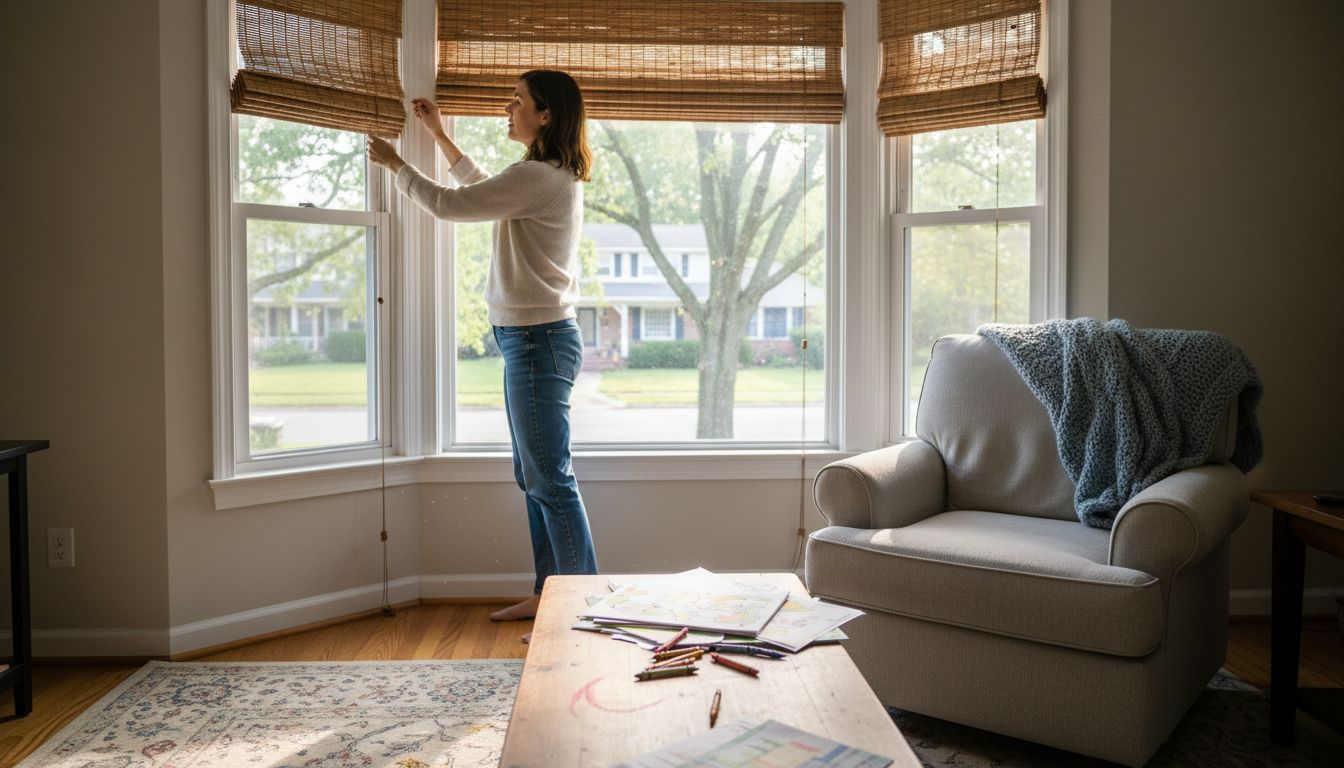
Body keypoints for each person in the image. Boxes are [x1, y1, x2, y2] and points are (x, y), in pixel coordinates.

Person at [367, 70, 598, 639]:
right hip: (526, 338)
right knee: (534, 475)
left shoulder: (541, 177)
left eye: (517, 101)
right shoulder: (539, 177)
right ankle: (550, 595)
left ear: (546, 115)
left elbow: (452, 204)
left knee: (550, 479)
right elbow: (484, 189)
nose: (508, 108)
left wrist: (398, 166)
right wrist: (440, 136)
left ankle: (579, 611)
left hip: (538, 340)